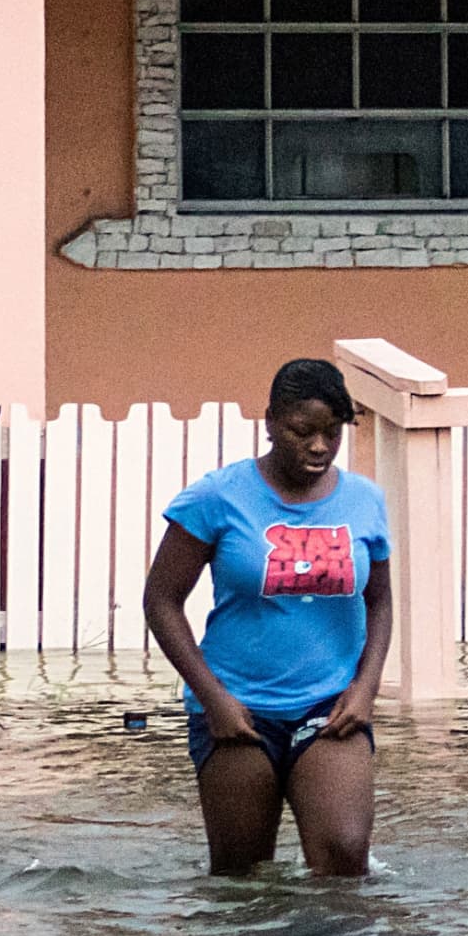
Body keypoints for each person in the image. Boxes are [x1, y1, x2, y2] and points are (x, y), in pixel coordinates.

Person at [142, 358, 393, 878]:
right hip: (238, 709)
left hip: (330, 705)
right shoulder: (217, 497)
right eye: (303, 432)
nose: (319, 446)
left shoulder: (365, 501)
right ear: (271, 423)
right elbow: (161, 599)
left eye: (332, 432)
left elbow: (381, 601)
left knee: (345, 856)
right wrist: (213, 698)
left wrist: (366, 688)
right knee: (242, 877)